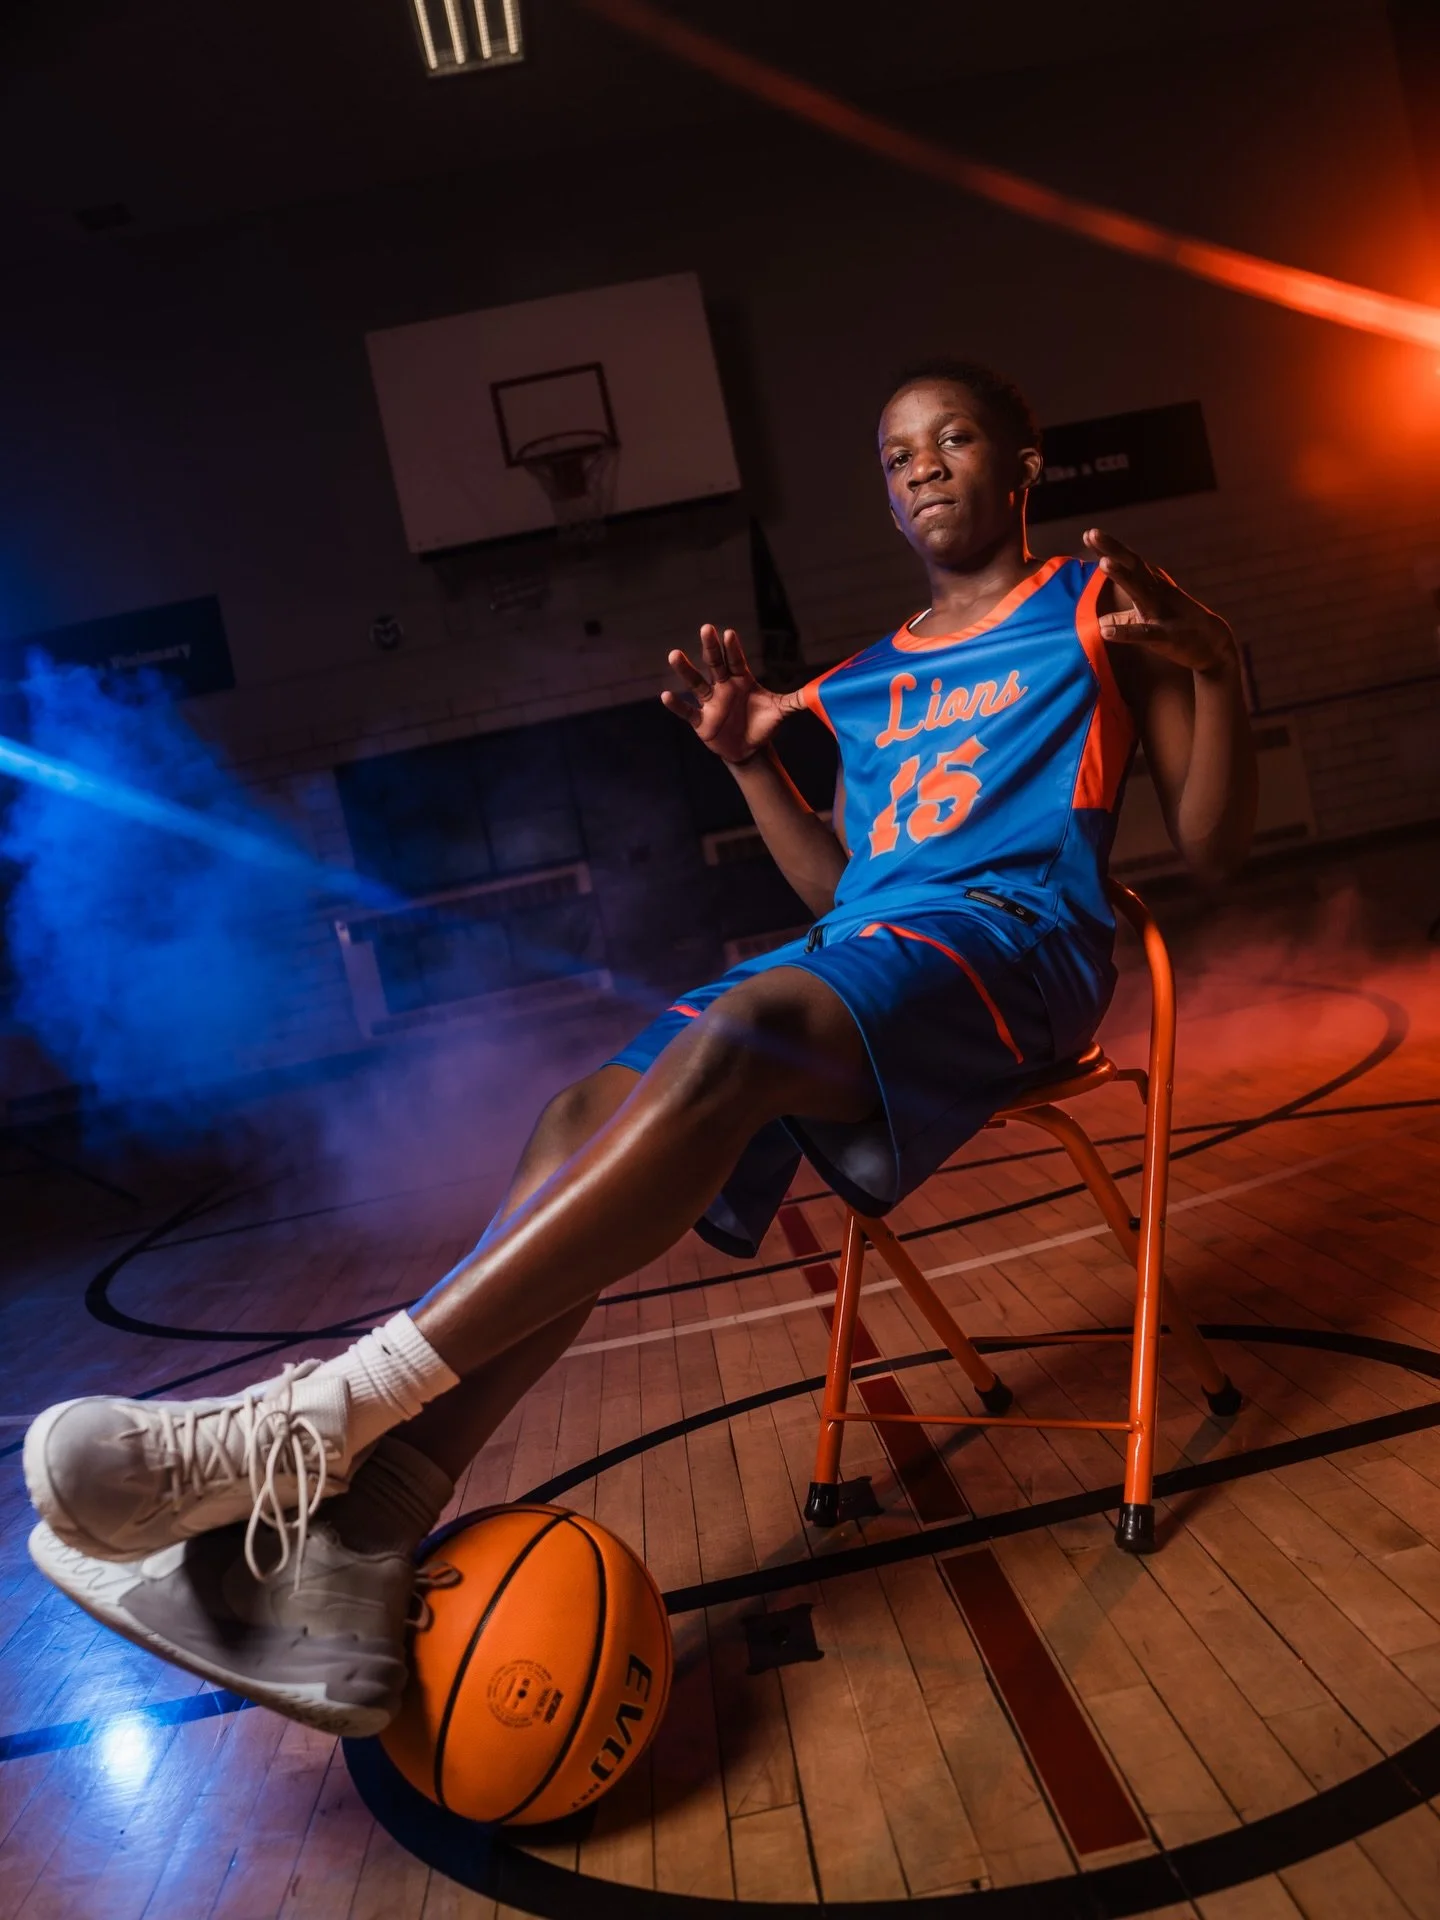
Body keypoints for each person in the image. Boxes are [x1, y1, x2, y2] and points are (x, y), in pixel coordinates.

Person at [23, 361, 1256, 1735]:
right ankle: (365, 1529)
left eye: (955, 438)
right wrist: (745, 761)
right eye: (897, 454)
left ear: (1024, 465)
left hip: (1019, 949)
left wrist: (1217, 660)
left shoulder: (1103, 611)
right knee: (576, 1117)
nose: (923, 467)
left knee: (740, 1025)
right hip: (870, 956)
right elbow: (843, 886)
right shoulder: (856, 683)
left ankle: (314, 1420)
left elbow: (1210, 848)